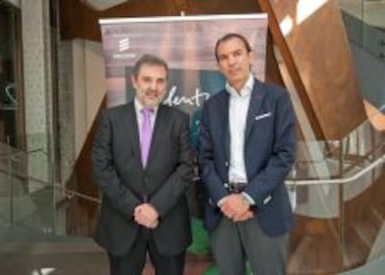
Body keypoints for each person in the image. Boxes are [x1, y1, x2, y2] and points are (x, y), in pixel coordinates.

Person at [199, 33, 297, 275]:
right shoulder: (212, 106)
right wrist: (225, 199)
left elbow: (284, 154)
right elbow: (205, 159)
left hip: (264, 208)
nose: (231, 61)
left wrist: (246, 198)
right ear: (218, 65)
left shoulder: (277, 99)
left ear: (250, 56)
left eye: (237, 53)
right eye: (224, 57)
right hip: (223, 212)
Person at [92, 54, 193, 275]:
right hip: (122, 223)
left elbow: (186, 169)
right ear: (134, 81)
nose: (153, 87)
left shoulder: (179, 120)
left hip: (168, 224)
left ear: (166, 84)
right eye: (147, 80)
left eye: (160, 81)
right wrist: (135, 209)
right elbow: (101, 167)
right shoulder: (111, 119)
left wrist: (156, 208)